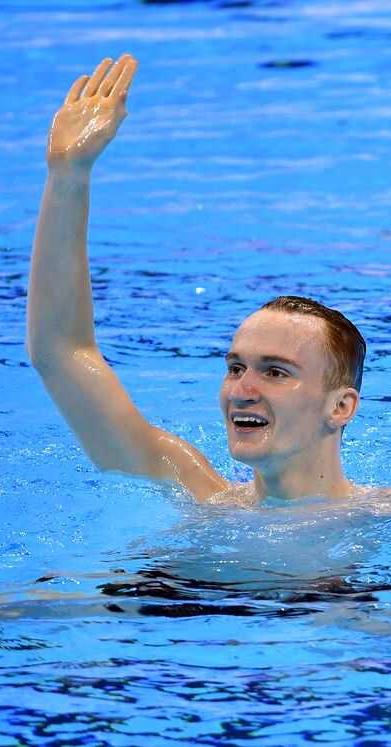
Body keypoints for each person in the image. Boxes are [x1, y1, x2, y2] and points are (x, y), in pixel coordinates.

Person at [27, 54, 371, 504]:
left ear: (340, 407)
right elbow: (60, 351)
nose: (242, 391)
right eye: (235, 368)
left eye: (275, 372)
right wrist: (68, 175)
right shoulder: (195, 489)